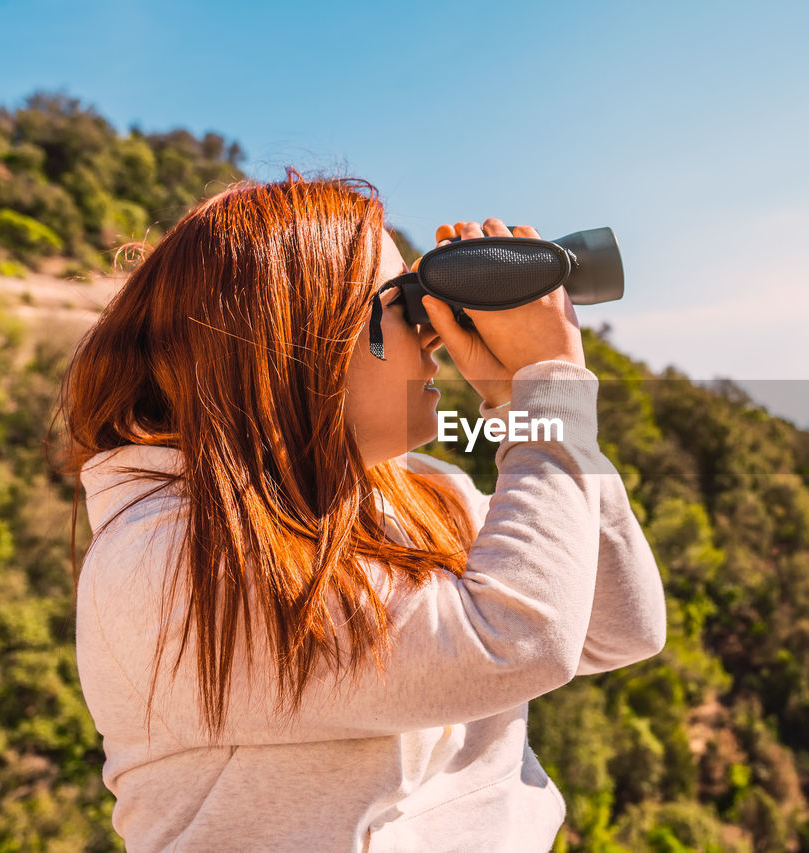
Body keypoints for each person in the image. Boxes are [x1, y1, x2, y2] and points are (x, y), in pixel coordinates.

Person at [62, 173, 667, 852]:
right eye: (402, 309)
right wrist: (550, 386)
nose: (432, 338)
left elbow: (617, 628)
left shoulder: (419, 493)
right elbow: (517, 640)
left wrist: (527, 409)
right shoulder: (161, 556)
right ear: (295, 342)